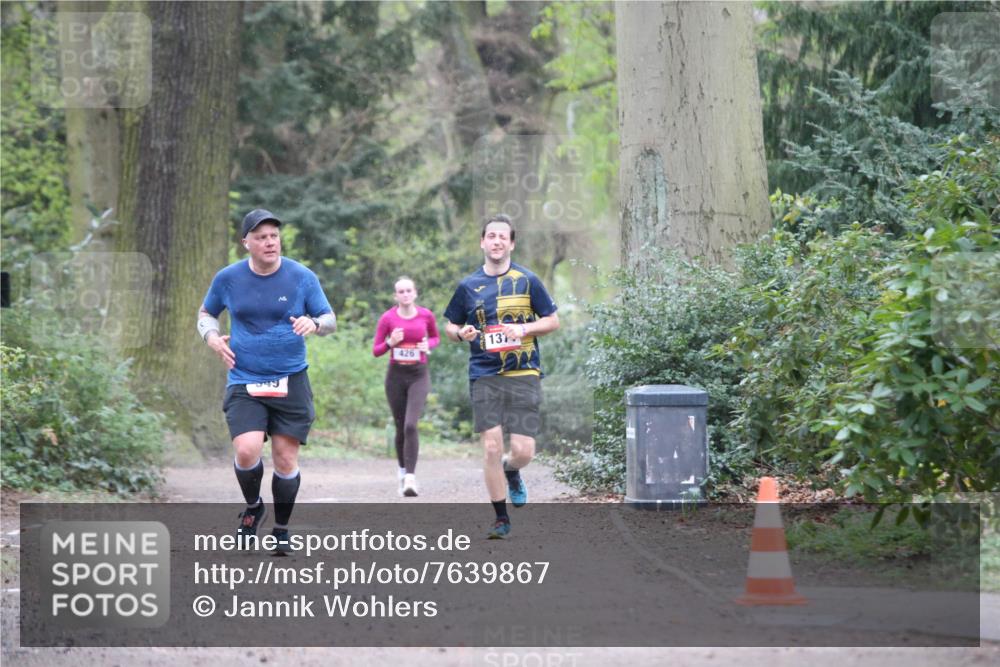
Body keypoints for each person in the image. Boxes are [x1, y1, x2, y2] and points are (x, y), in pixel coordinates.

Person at [197, 208, 336, 554]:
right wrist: (211, 337)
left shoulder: (301, 276)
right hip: (245, 378)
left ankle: (281, 529)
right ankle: (254, 507)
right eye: (261, 237)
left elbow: (329, 318)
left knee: (285, 459)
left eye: (274, 236)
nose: (270, 242)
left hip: (291, 378)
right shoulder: (228, 278)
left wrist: (315, 324)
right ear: (246, 242)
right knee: (246, 450)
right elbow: (207, 314)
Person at [444, 213, 559, 538]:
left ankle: (512, 471)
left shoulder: (528, 280)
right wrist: (461, 333)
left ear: (511, 244)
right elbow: (450, 326)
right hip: (484, 373)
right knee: (491, 447)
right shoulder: (468, 286)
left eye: (502, 237)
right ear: (482, 242)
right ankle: (500, 518)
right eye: (491, 236)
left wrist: (523, 329)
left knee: (523, 451)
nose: (496, 242)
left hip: (523, 371)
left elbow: (552, 320)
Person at [372, 277, 440, 497]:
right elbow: (376, 350)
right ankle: (402, 472)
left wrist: (428, 344)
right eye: (401, 291)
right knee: (400, 426)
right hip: (396, 377)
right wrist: (390, 343)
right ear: (396, 296)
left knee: (411, 425)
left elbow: (436, 338)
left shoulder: (426, 315)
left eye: (409, 290)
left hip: (419, 375)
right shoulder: (388, 318)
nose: (405, 294)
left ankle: (410, 478)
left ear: (415, 293)